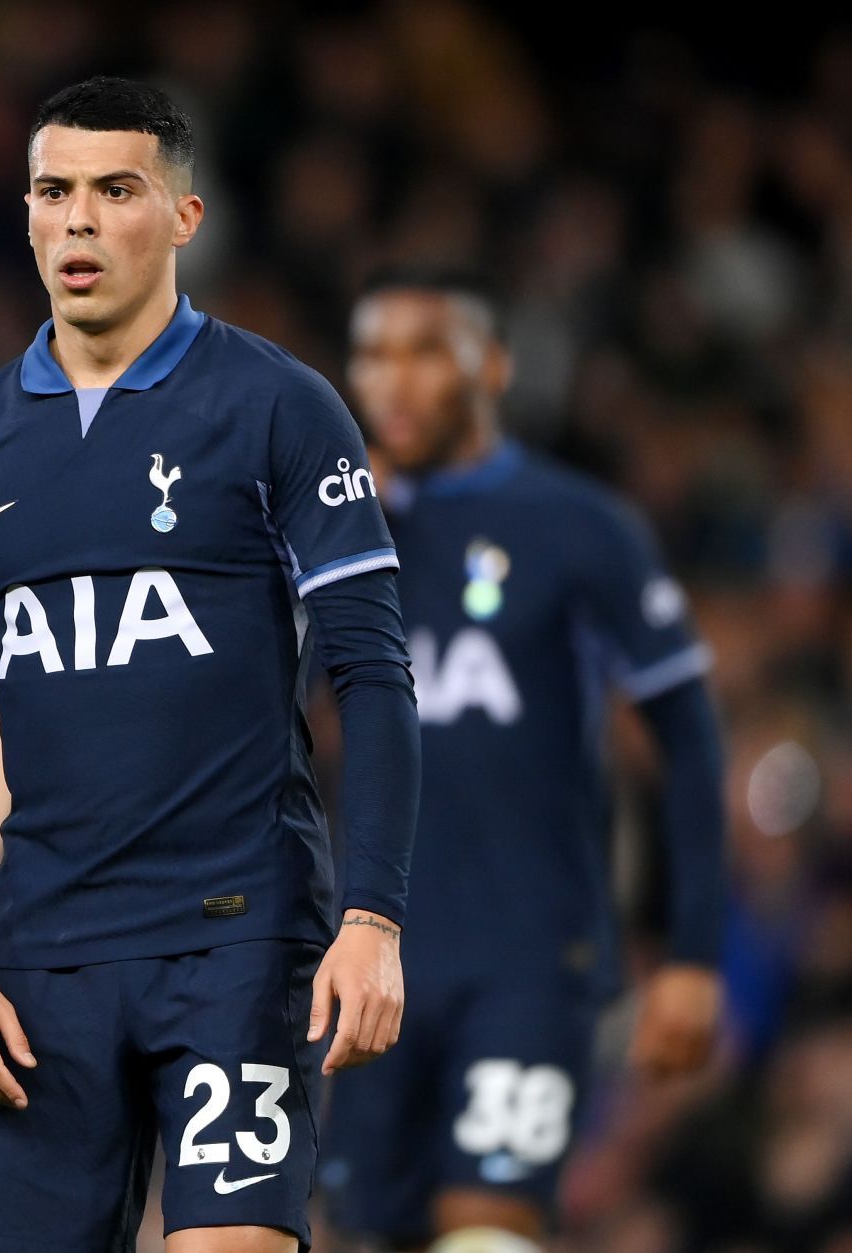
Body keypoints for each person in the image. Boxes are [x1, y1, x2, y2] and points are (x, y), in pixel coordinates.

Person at [0, 76, 420, 1253]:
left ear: (184, 217)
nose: (77, 220)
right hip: (37, 962)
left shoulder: (280, 407)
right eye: (53, 191)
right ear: (24, 214)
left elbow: (372, 674)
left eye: (115, 190)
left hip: (236, 935)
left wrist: (372, 914)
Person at [319, 266, 727, 1253]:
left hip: (530, 954)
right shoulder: (330, 533)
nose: (394, 381)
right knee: (369, 1230)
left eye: (427, 351)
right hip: (369, 955)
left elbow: (689, 732)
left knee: (490, 1223)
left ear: (491, 367)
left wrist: (694, 950)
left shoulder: (581, 527)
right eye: (373, 354)